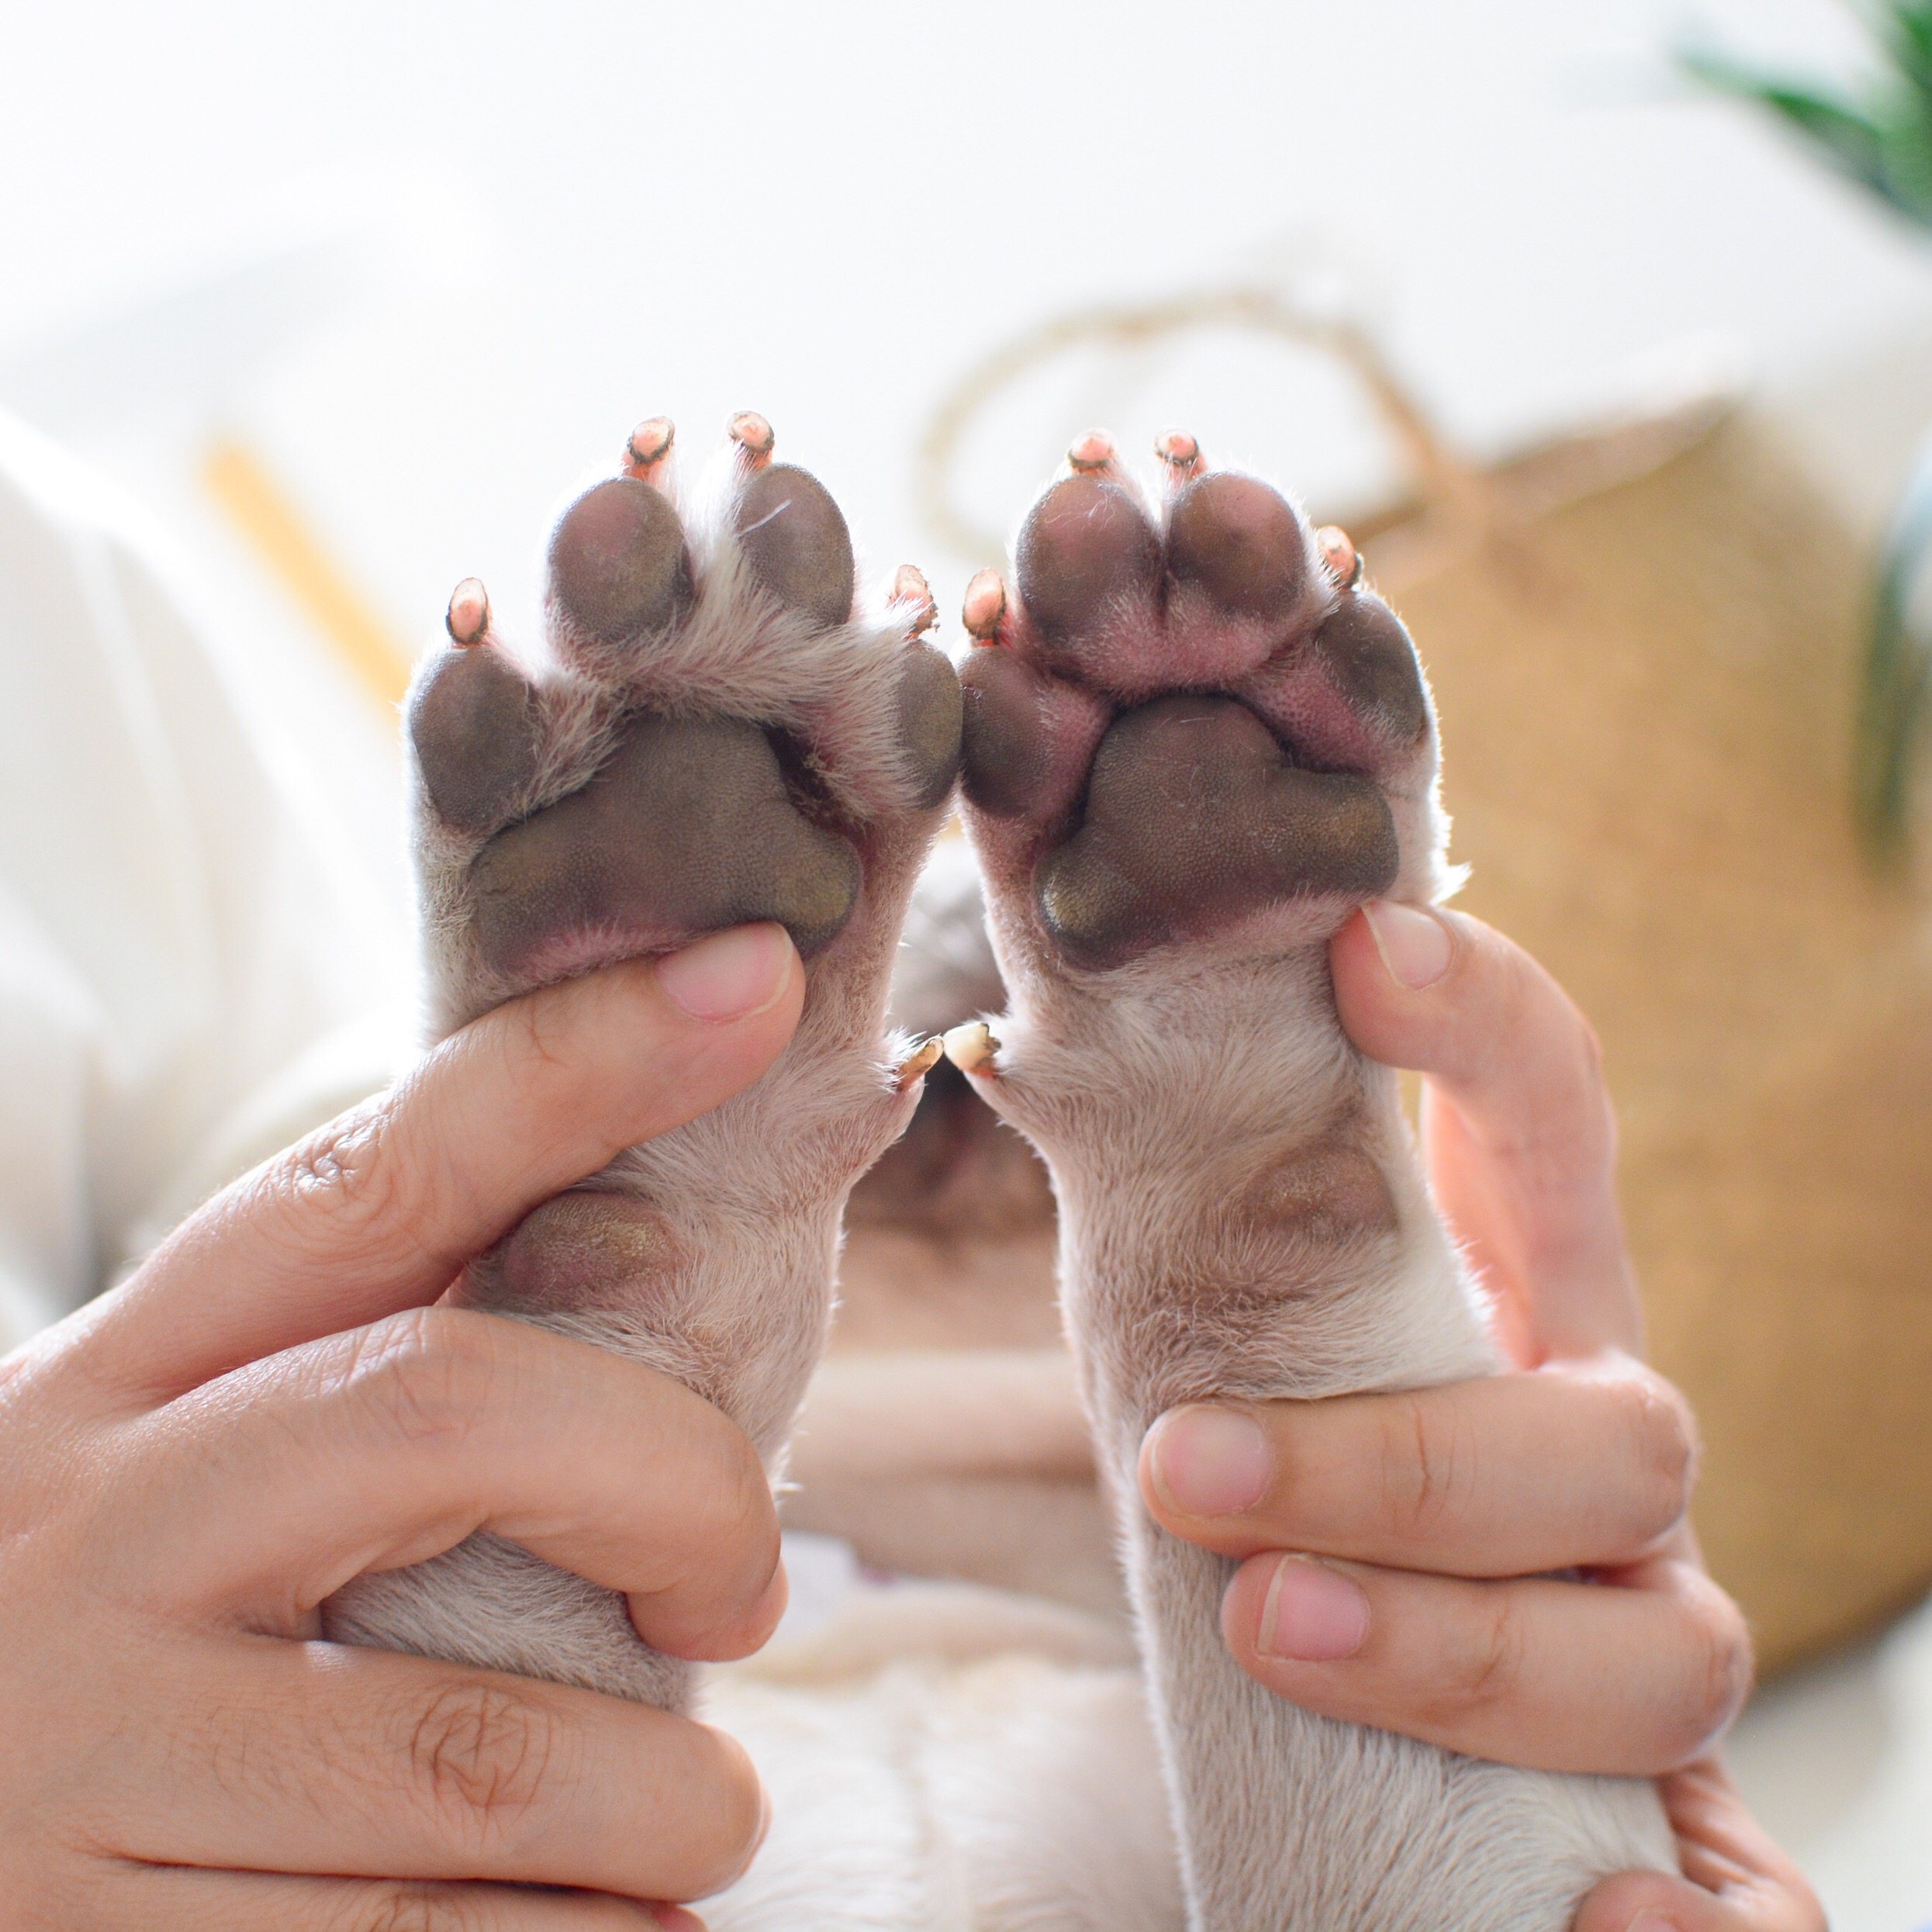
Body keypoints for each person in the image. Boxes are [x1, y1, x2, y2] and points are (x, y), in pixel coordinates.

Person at [0, 413, 1821, 1926]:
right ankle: (1251, 1258)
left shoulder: (54, 614)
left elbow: (255, 1309)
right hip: (1111, 1668)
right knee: (1329, 1646)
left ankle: (612, 1332)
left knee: (454, 1695)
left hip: (787, 1675)